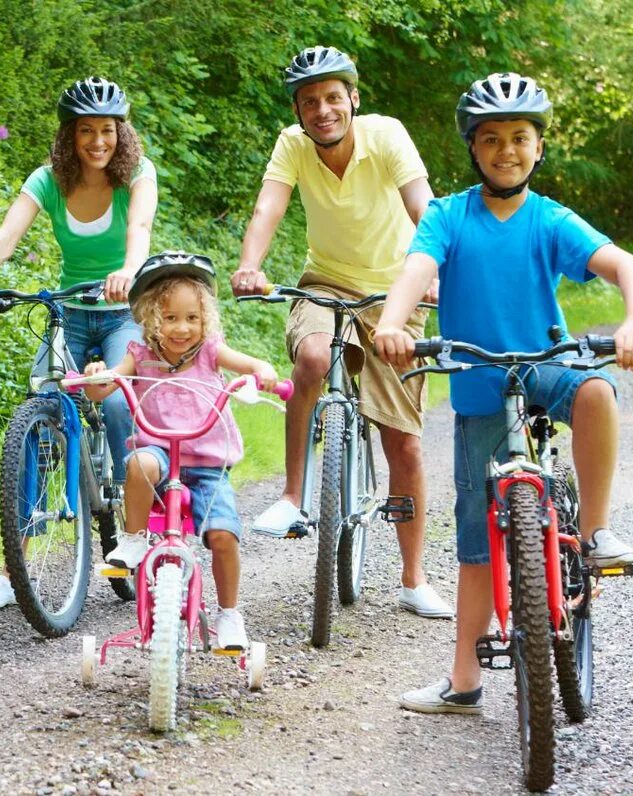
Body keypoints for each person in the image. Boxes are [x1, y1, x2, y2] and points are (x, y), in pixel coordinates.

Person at [373, 72, 633, 713]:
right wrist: (393, 323)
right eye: (492, 138)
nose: (506, 149)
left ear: (538, 147)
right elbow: (416, 270)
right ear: (474, 149)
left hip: (543, 365)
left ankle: (596, 532)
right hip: (476, 383)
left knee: (596, 394)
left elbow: (625, 266)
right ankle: (464, 684)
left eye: (520, 137)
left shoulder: (549, 218)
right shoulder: (449, 215)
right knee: (475, 545)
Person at [230, 46, 452, 619]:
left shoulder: (386, 135)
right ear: (299, 111)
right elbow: (268, 210)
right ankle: (292, 497)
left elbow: (423, 209)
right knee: (310, 359)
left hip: (397, 291)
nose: (322, 110)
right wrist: (250, 265)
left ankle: (413, 577)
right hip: (324, 282)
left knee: (402, 442)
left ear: (353, 98)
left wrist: (431, 274)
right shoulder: (293, 145)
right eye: (310, 102)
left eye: (333, 97)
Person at [0, 76, 159, 609]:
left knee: (114, 401)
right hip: (69, 312)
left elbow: (139, 229)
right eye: (85, 131)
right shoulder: (47, 180)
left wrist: (128, 271)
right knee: (40, 412)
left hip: (121, 317)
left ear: (121, 133)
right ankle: (13, 565)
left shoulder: (136, 174)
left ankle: (138, 536)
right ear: (69, 135)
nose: (97, 141)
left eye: (107, 131)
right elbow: (6, 235)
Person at [81, 252, 279, 650]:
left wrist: (263, 371)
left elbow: (249, 364)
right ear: (153, 317)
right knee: (137, 463)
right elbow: (106, 387)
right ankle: (135, 539)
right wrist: (93, 380)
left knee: (224, 535)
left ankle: (229, 614)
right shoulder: (140, 353)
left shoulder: (209, 350)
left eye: (191, 318)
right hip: (158, 451)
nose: (182, 328)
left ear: (204, 318)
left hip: (207, 462)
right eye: (170, 318)